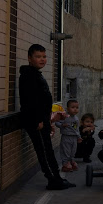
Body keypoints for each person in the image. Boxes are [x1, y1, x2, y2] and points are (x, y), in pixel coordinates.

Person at [19, 44, 75, 190]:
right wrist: (38, 120)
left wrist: (47, 118)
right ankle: (53, 180)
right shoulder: (29, 76)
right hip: (36, 121)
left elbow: (40, 100)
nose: (42, 59)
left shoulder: (35, 74)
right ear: (30, 58)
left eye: (44, 56)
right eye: (38, 57)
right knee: (44, 151)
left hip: (41, 120)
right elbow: (30, 101)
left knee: (47, 150)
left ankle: (56, 178)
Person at [55, 99, 82, 172]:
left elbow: (76, 129)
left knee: (73, 150)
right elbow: (57, 122)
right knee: (66, 150)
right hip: (66, 137)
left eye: (77, 108)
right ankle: (65, 163)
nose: (75, 109)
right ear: (67, 109)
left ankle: (71, 161)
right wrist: (62, 125)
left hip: (74, 137)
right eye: (73, 107)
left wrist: (79, 137)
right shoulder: (65, 116)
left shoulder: (76, 118)